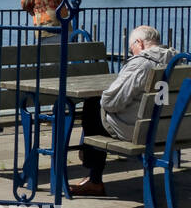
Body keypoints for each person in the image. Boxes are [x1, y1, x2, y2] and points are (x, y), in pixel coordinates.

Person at [71, 25, 175, 196]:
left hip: (141, 131)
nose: (131, 52)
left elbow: (112, 102)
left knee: (92, 106)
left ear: (139, 43)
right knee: (97, 107)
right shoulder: (177, 59)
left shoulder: (141, 63)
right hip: (170, 129)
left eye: (130, 48)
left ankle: (93, 176)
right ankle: (90, 162)